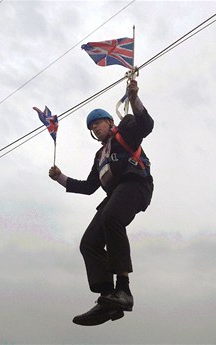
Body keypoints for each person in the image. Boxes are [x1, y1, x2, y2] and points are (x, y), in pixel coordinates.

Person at [48, 79, 154, 326]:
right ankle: (107, 297)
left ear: (110, 122)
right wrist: (59, 177)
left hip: (136, 185)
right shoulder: (100, 156)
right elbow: (87, 187)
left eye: (98, 123)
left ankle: (123, 290)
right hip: (115, 195)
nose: (95, 128)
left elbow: (146, 125)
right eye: (91, 127)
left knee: (111, 218)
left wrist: (134, 98)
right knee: (89, 243)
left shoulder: (125, 129)